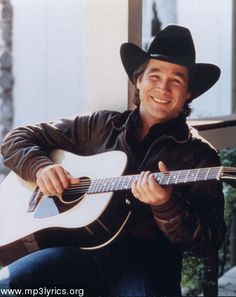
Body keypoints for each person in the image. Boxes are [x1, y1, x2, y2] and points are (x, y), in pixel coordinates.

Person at [0, 25, 226, 296]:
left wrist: (167, 206)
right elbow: (16, 138)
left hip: (147, 263)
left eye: (176, 80)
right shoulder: (99, 126)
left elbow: (209, 241)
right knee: (13, 286)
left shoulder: (200, 155)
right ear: (138, 80)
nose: (163, 88)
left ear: (188, 92)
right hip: (77, 251)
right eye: (154, 76)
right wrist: (41, 168)